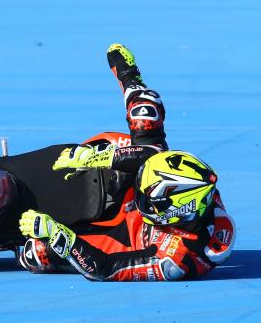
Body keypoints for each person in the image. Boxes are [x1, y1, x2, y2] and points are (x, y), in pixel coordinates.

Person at [17, 44, 235, 281]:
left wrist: (58, 234)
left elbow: (105, 268)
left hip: (122, 239)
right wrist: (101, 157)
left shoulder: (175, 261)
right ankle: (131, 77)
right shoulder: (200, 188)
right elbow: (153, 154)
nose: (141, 198)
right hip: (138, 208)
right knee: (146, 115)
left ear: (177, 212)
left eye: (148, 199)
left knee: (36, 254)